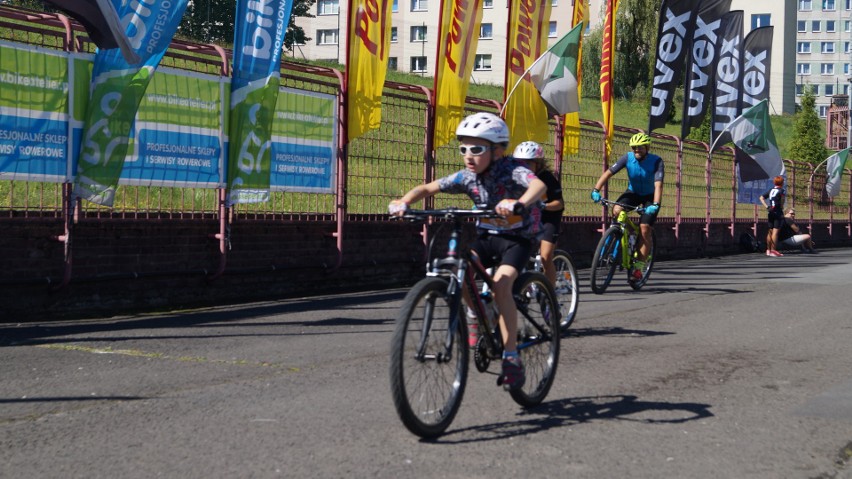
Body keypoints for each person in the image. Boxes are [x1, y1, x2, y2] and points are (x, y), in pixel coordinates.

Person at [388, 112, 546, 392]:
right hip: (487, 237)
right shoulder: (466, 177)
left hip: (517, 240)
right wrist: (404, 201)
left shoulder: (512, 169)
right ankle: (479, 311)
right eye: (463, 149)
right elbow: (428, 187)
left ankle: (511, 357)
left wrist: (519, 202)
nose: (468, 156)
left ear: (497, 150)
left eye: (477, 149)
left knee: (501, 285)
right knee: (457, 270)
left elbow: (538, 185)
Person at [590, 132, 664, 281]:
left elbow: (658, 185)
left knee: (644, 228)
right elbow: (608, 173)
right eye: (635, 148)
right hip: (633, 193)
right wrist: (596, 190)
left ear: (647, 147)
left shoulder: (657, 161)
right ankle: (623, 232)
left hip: (650, 196)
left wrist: (655, 204)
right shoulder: (627, 158)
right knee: (617, 209)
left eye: (640, 148)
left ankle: (638, 268)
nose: (637, 150)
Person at [511, 141, 565, 287]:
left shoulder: (547, 178)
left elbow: (559, 204)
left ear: (538, 163)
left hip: (548, 218)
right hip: (527, 218)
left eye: (528, 163)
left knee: (545, 257)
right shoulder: (515, 177)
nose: (523, 167)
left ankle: (550, 294)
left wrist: (542, 205)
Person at [759, 175, 786, 257]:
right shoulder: (782, 191)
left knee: (770, 231)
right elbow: (782, 202)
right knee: (775, 232)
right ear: (782, 183)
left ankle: (768, 250)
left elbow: (761, 197)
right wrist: (782, 208)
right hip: (777, 211)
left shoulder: (771, 190)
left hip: (770, 211)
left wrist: (767, 206)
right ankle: (773, 250)